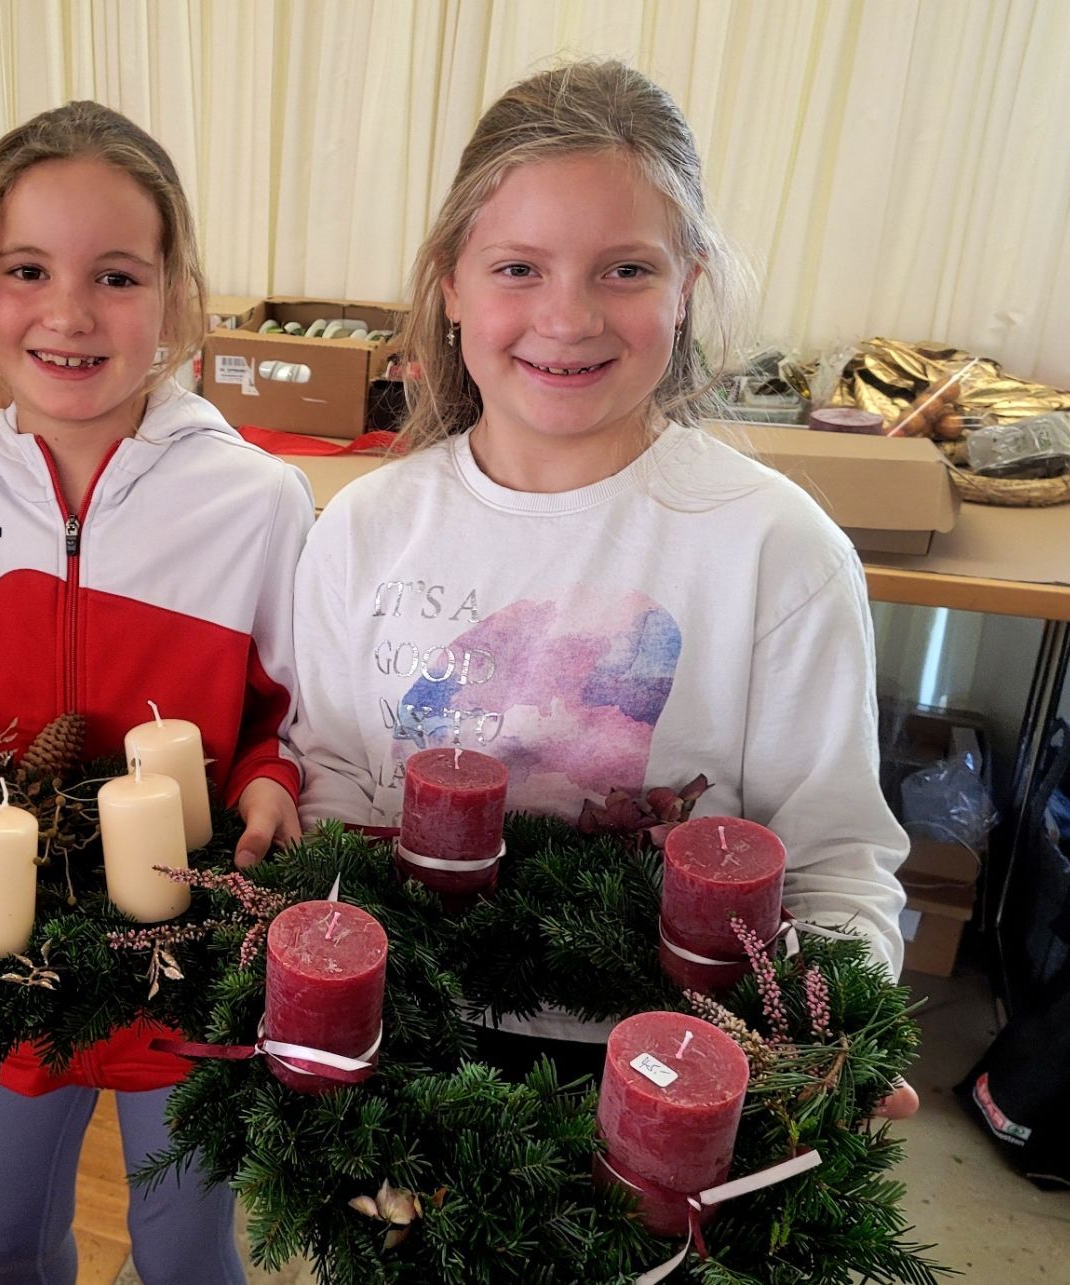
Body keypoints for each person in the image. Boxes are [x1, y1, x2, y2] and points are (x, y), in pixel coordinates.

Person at [286, 61, 918, 1115]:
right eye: (518, 268)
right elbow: (336, 779)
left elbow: (833, 856)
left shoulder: (773, 550)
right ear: (449, 283)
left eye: (623, 270)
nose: (566, 318)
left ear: (688, 285)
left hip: (684, 1069)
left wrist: (833, 1033)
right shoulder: (362, 528)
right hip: (411, 1037)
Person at [0, 100, 312, 1285]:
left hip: (185, 948)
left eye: (114, 275)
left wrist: (265, 781)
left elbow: (290, 715)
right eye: (26, 271)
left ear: (172, 295)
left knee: (186, 1252)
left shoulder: (255, 504)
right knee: (4, 1234)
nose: (66, 313)